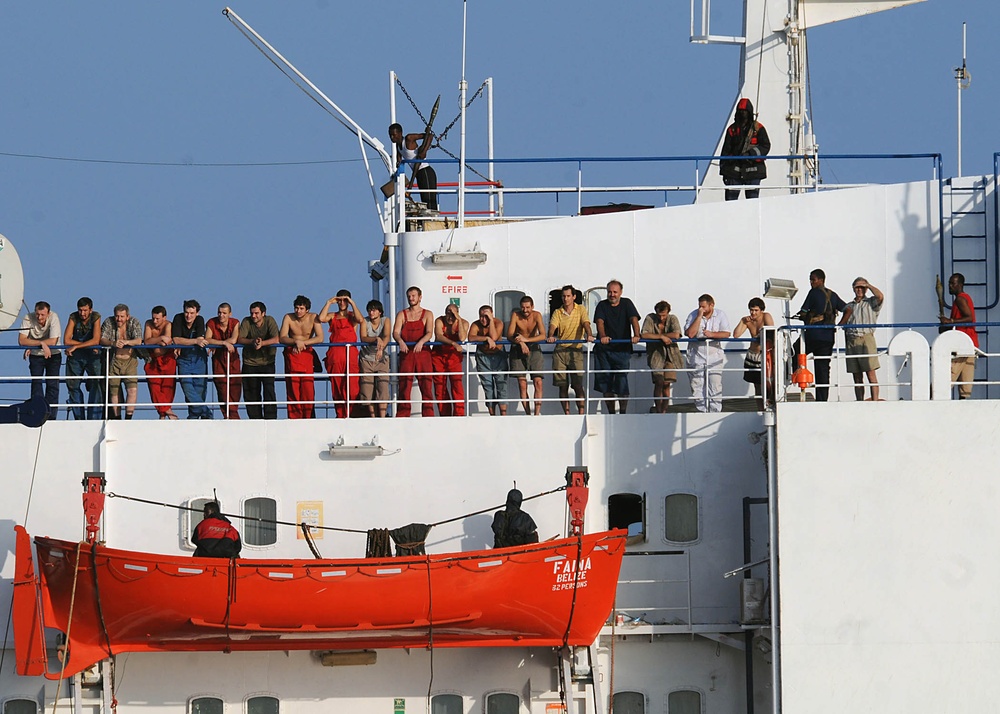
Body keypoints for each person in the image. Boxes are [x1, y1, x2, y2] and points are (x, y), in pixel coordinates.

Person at [794, 269, 847, 402]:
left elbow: (804, 311)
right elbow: (848, 309)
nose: (811, 282)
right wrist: (840, 324)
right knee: (823, 368)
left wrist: (803, 316)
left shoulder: (813, 292)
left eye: (813, 279)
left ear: (821, 280)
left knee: (794, 351)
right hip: (828, 337)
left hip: (813, 335)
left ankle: (792, 376)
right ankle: (822, 400)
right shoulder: (832, 295)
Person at [594, 280, 641, 414]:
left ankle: (623, 412)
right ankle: (611, 413)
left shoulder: (627, 303)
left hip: (622, 349)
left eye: (615, 292)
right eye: (609, 292)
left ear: (620, 292)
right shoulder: (602, 305)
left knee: (621, 381)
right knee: (606, 382)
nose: (612, 294)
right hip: (604, 350)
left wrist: (636, 335)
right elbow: (599, 321)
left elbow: (633, 319)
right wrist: (602, 336)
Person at [547, 285, 594, 415]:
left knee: (578, 385)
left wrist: (589, 334)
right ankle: (567, 414)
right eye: (563, 296)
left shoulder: (581, 310)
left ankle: (581, 413)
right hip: (560, 351)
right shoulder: (558, 312)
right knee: (562, 385)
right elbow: (552, 326)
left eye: (568, 296)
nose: (565, 299)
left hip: (576, 350)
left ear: (574, 297)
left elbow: (586, 323)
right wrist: (550, 335)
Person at [684, 294, 732, 413]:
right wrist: (699, 316)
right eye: (700, 306)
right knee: (697, 386)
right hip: (696, 355)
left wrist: (712, 334)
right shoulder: (693, 315)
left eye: (704, 307)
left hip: (714, 356)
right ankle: (702, 412)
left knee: (715, 385)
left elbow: (726, 333)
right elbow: (690, 334)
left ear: (712, 305)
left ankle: (715, 413)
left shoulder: (720, 315)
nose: (701, 309)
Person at [392, 286, 435, 417]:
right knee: (404, 384)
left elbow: (429, 332)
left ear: (420, 297)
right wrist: (400, 341)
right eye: (409, 296)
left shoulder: (427, 314)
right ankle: (403, 414)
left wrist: (421, 342)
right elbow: (395, 332)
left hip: (423, 353)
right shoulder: (402, 314)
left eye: (413, 296)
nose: (411, 298)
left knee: (426, 384)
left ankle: (428, 414)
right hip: (407, 353)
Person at [279, 295, 324, 419]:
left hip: (307, 354)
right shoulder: (288, 317)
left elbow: (320, 337)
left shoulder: (313, 317)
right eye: (296, 308)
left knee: (307, 389)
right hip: (292, 355)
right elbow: (282, 337)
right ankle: (294, 418)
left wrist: (303, 343)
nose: (298, 311)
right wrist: (295, 341)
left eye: (301, 308)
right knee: (293, 389)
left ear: (307, 309)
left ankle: (308, 417)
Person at [319, 291, 361, 419]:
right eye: (340, 300)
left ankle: (351, 414)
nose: (342, 303)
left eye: (345, 300)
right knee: (337, 387)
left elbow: (360, 320)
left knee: (352, 387)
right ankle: (340, 414)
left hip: (350, 356)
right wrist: (328, 302)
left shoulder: (352, 316)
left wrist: (352, 302)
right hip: (336, 356)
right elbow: (321, 318)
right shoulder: (333, 316)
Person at [840, 278, 884, 401]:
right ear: (853, 288)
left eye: (862, 287)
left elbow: (880, 296)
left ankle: (875, 401)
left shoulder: (871, 303)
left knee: (871, 373)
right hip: (852, 340)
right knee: (857, 376)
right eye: (857, 287)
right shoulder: (849, 306)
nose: (859, 290)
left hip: (866, 339)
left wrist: (869, 285)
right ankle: (859, 401)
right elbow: (842, 325)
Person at [18, 301, 62, 421]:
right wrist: (41, 343)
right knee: (36, 383)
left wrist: (32, 344)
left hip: (53, 354)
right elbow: (21, 340)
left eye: (42, 315)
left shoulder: (54, 317)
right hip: (36, 355)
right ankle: (38, 414)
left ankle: (51, 416)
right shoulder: (28, 318)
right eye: (37, 314)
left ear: (48, 313)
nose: (39, 317)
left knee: (52, 385)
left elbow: (53, 341)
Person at [720, 97, 771, 200]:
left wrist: (750, 154)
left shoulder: (758, 129)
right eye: (740, 111)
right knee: (730, 202)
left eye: (745, 112)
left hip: (753, 170)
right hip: (734, 171)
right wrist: (724, 171)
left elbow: (765, 146)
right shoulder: (732, 130)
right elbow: (725, 151)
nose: (742, 114)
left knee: (752, 202)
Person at [238, 301, 280, 419]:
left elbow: (277, 338)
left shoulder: (269, 320)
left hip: (267, 362)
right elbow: (239, 339)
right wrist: (252, 342)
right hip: (250, 362)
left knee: (269, 390)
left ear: (263, 313)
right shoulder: (246, 321)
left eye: (256, 313)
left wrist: (263, 343)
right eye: (252, 313)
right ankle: (255, 419)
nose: (253, 316)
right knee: (251, 392)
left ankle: (271, 419)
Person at [939, 272, 978, 399]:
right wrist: (947, 326)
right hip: (971, 345)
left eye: (952, 283)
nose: (950, 286)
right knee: (965, 385)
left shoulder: (960, 299)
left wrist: (950, 321)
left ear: (960, 285)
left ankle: (933, 402)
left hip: (962, 345)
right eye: (950, 283)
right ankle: (963, 409)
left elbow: (969, 318)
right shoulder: (965, 298)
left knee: (947, 378)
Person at [100, 304, 143, 420]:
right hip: (114, 361)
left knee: (132, 389)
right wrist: (113, 343)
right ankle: (117, 418)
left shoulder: (134, 322)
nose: (119, 319)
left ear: (127, 316)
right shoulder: (109, 322)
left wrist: (126, 342)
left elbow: (139, 340)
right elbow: (102, 339)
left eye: (122, 316)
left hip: (130, 361)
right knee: (114, 391)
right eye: (117, 316)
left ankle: (128, 419)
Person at [171, 300, 212, 419]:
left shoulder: (200, 320)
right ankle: (206, 413)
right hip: (184, 359)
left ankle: (193, 417)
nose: (188, 316)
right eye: (186, 312)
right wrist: (194, 341)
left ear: (197, 313)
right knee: (188, 388)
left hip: (199, 359)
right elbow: (176, 340)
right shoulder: (178, 318)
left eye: (192, 313)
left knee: (200, 389)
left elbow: (201, 339)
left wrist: (188, 342)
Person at [63, 297, 103, 420]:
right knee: (73, 385)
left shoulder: (96, 317)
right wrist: (84, 345)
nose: (82, 313)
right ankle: (79, 418)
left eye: (85, 310)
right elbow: (66, 340)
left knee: (97, 383)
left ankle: (94, 418)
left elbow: (96, 339)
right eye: (80, 310)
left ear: (90, 310)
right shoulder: (73, 317)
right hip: (77, 357)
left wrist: (75, 346)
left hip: (92, 355)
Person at [640, 300, 683, 413]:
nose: (662, 318)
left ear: (668, 312)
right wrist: (661, 337)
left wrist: (658, 336)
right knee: (658, 382)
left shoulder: (673, 318)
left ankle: (664, 409)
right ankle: (658, 409)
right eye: (659, 315)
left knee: (666, 383)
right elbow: (644, 334)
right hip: (656, 355)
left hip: (671, 354)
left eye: (664, 315)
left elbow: (677, 334)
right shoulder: (650, 318)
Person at [507, 296, 546, 415]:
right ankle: (528, 413)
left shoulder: (537, 315)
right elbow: (509, 334)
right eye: (523, 307)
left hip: (534, 349)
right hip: (518, 349)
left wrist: (526, 340)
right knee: (522, 383)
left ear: (532, 307)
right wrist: (521, 342)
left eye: (528, 307)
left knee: (538, 381)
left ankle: (536, 414)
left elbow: (543, 335)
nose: (525, 310)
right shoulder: (516, 315)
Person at [732, 297, 774, 405]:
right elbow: (736, 335)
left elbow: (771, 331)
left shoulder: (766, 316)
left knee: (769, 383)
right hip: (752, 355)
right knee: (757, 386)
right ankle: (760, 409)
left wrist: (758, 335)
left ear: (761, 310)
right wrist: (742, 321)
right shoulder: (747, 321)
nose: (753, 313)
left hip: (765, 354)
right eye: (751, 310)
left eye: (756, 310)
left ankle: (770, 406)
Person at [389, 122, 438, 212]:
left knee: (430, 200)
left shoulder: (409, 138)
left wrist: (424, 151)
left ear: (400, 133)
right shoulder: (398, 145)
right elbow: (399, 158)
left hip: (426, 171)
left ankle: (434, 220)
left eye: (394, 135)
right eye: (390, 135)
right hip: (419, 174)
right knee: (424, 200)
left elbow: (429, 136)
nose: (392, 137)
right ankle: (428, 220)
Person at [468, 305, 508, 416]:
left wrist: (491, 321)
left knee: (501, 386)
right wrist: (486, 338)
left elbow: (494, 337)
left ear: (492, 315)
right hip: (483, 357)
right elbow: (470, 337)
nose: (483, 319)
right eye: (481, 316)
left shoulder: (498, 323)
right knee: (488, 388)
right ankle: (492, 416)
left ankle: (503, 417)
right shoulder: (476, 324)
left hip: (499, 356)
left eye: (486, 316)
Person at [205, 302, 242, 419]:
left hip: (233, 359)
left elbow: (234, 339)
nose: (221, 315)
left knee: (235, 387)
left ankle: (233, 415)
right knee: (222, 388)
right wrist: (223, 343)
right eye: (219, 313)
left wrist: (220, 343)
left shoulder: (235, 322)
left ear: (229, 314)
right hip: (218, 360)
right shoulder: (211, 322)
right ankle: (230, 416)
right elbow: (207, 339)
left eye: (224, 313)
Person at [432, 303, 469, 416]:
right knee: (440, 387)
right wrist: (453, 343)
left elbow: (462, 337)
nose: (450, 316)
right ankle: (444, 415)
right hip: (438, 356)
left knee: (457, 385)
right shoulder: (439, 321)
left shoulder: (464, 323)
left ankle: (459, 414)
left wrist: (458, 318)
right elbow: (438, 335)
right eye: (448, 312)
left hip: (454, 357)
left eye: (453, 313)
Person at [143, 305, 178, 420]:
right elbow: (147, 341)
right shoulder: (148, 324)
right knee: (154, 387)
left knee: (168, 388)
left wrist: (161, 339)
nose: (155, 321)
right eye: (153, 318)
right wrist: (160, 338)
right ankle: (168, 411)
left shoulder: (168, 325)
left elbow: (167, 340)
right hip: (153, 360)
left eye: (158, 319)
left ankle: (162, 414)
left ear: (164, 317)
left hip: (167, 359)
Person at [357, 299, 391, 417]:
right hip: (366, 358)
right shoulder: (364, 322)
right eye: (370, 310)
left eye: (374, 310)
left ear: (380, 312)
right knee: (367, 389)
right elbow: (363, 338)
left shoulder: (385, 320)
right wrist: (376, 339)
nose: (371, 313)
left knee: (383, 387)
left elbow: (387, 335)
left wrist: (381, 348)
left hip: (382, 358)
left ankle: (382, 417)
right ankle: (372, 417)